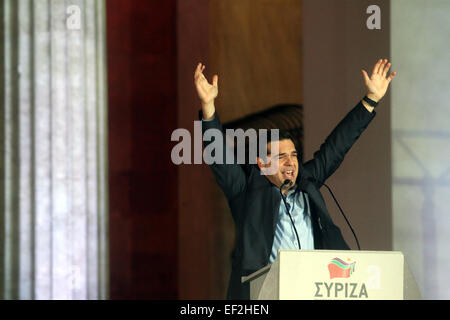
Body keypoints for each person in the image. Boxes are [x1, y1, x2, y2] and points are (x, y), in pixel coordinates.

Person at [194, 59, 396, 299]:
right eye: (281, 157)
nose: (291, 162)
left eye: (293, 155)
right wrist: (208, 107)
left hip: (317, 290)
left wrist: (370, 100)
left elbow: (337, 145)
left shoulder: (308, 182)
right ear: (262, 163)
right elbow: (219, 158)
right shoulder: (245, 190)